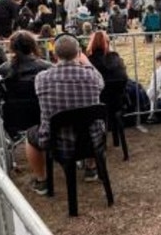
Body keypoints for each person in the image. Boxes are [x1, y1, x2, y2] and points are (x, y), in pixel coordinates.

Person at [26, 34, 105, 194]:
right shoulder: (93, 76)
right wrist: (86, 61)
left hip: (55, 143)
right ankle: (91, 168)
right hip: (92, 140)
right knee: (89, 122)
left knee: (30, 136)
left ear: (55, 55)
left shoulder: (42, 79)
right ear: (79, 54)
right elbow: (101, 82)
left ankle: (42, 180)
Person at [0, 30, 52, 135]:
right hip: (41, 114)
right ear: (33, 45)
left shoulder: (3, 69)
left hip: (14, 117)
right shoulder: (47, 67)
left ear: (12, 47)